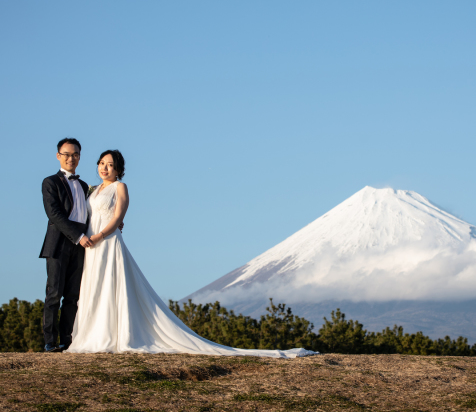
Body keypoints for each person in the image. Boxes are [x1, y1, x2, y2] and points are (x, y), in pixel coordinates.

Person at [66, 150, 315, 358]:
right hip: (91, 247)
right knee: (93, 287)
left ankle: (113, 335)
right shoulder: (93, 190)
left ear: (119, 170)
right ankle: (93, 334)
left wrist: (100, 236)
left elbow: (118, 216)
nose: (105, 168)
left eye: (110, 165)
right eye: (101, 164)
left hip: (107, 243)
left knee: (112, 286)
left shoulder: (120, 187)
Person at [39, 138, 92, 353]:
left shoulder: (84, 186)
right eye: (67, 154)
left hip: (81, 246)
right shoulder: (50, 182)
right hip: (59, 244)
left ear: (80, 156)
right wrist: (78, 236)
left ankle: (66, 340)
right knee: (54, 294)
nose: (71, 158)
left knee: (73, 296)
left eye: (76, 154)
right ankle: (50, 342)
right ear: (58, 156)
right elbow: (54, 215)